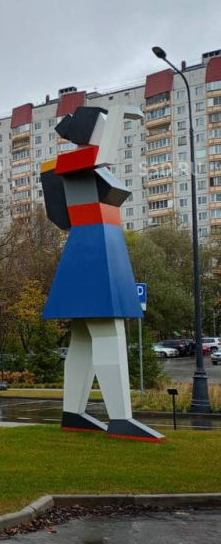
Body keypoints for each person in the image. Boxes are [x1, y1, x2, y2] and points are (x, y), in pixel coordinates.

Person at [40, 105, 163, 442]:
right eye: (104, 125)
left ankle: (74, 413)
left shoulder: (92, 165)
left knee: (82, 338)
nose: (108, 131)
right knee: (109, 333)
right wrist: (122, 113)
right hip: (92, 248)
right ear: (91, 131)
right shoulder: (75, 161)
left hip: (102, 247)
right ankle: (121, 419)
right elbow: (102, 155)